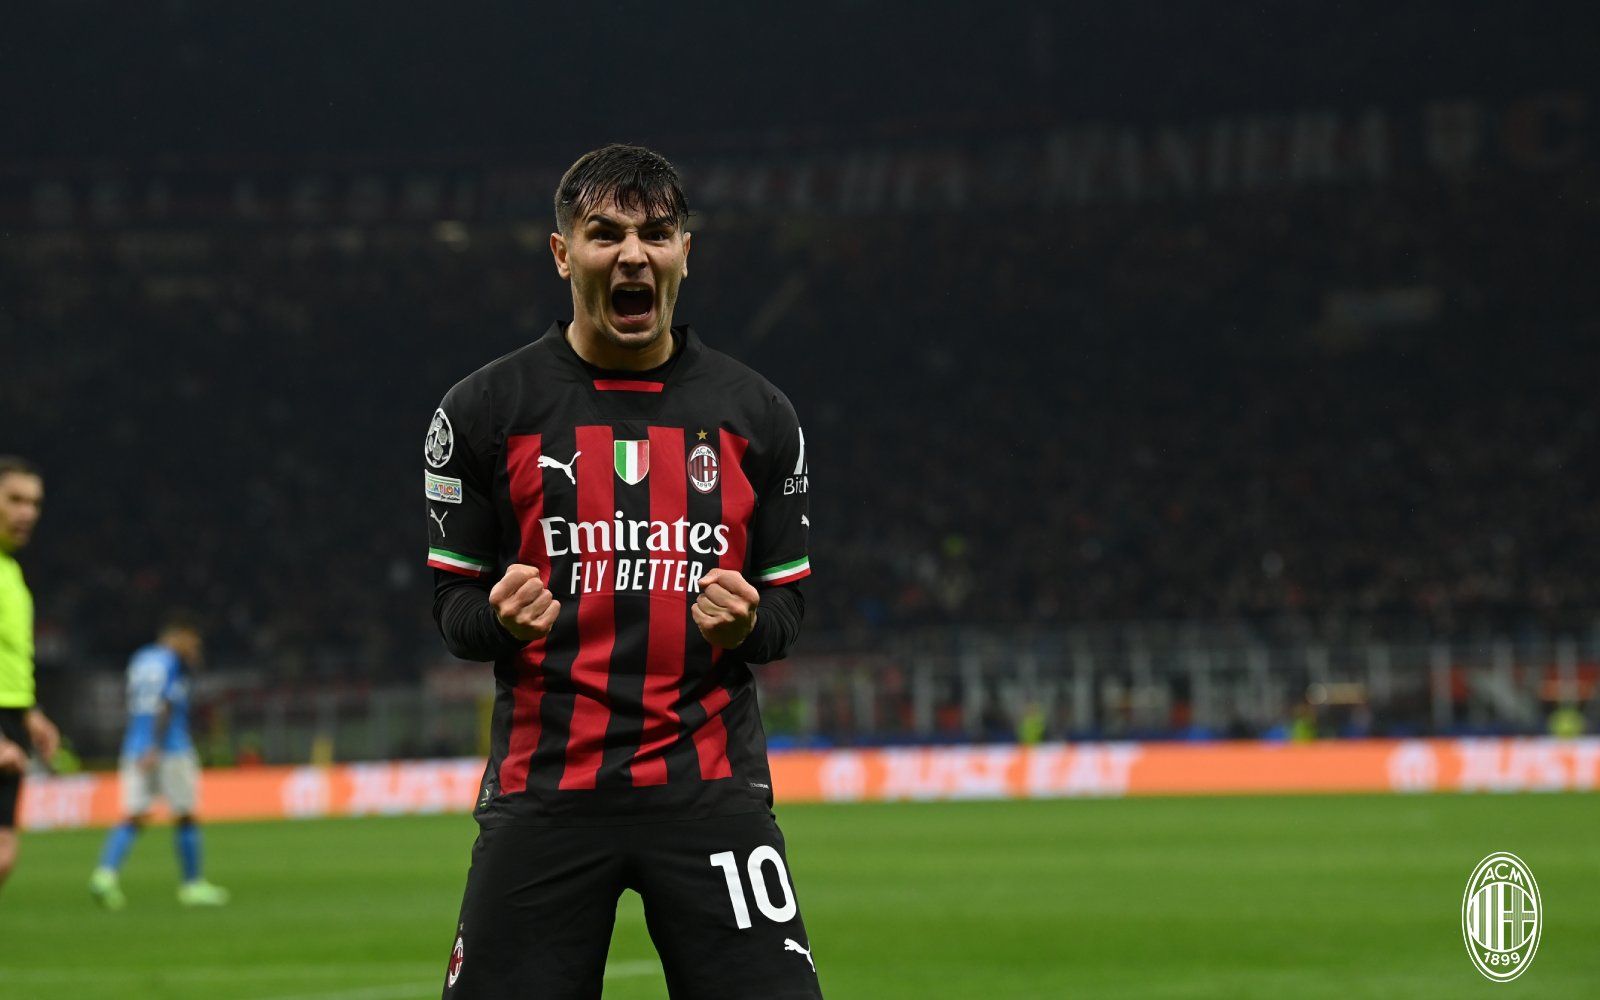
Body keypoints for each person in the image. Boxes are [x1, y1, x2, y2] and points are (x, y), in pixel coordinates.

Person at [426, 144, 821, 999]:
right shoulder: (484, 411)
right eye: (604, 234)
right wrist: (497, 618)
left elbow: (790, 611)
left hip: (711, 795)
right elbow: (452, 606)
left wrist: (751, 623)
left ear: (686, 250)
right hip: (546, 797)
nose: (633, 254)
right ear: (563, 252)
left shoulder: (758, 415)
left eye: (657, 233)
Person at [88, 616, 229, 908]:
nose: (195, 648)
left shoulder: (141, 659)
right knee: (186, 814)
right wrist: (155, 742)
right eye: (192, 642)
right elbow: (164, 703)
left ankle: (105, 875)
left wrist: (143, 742)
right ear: (177, 636)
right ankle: (192, 885)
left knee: (134, 814)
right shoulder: (171, 663)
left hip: (134, 745)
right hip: (169, 746)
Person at [0, 456, 60, 897]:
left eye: (34, 503)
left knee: (3, 855)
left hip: (11, 719)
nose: (27, 513)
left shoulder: (12, 573)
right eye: (15, 500)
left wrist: (31, 713)